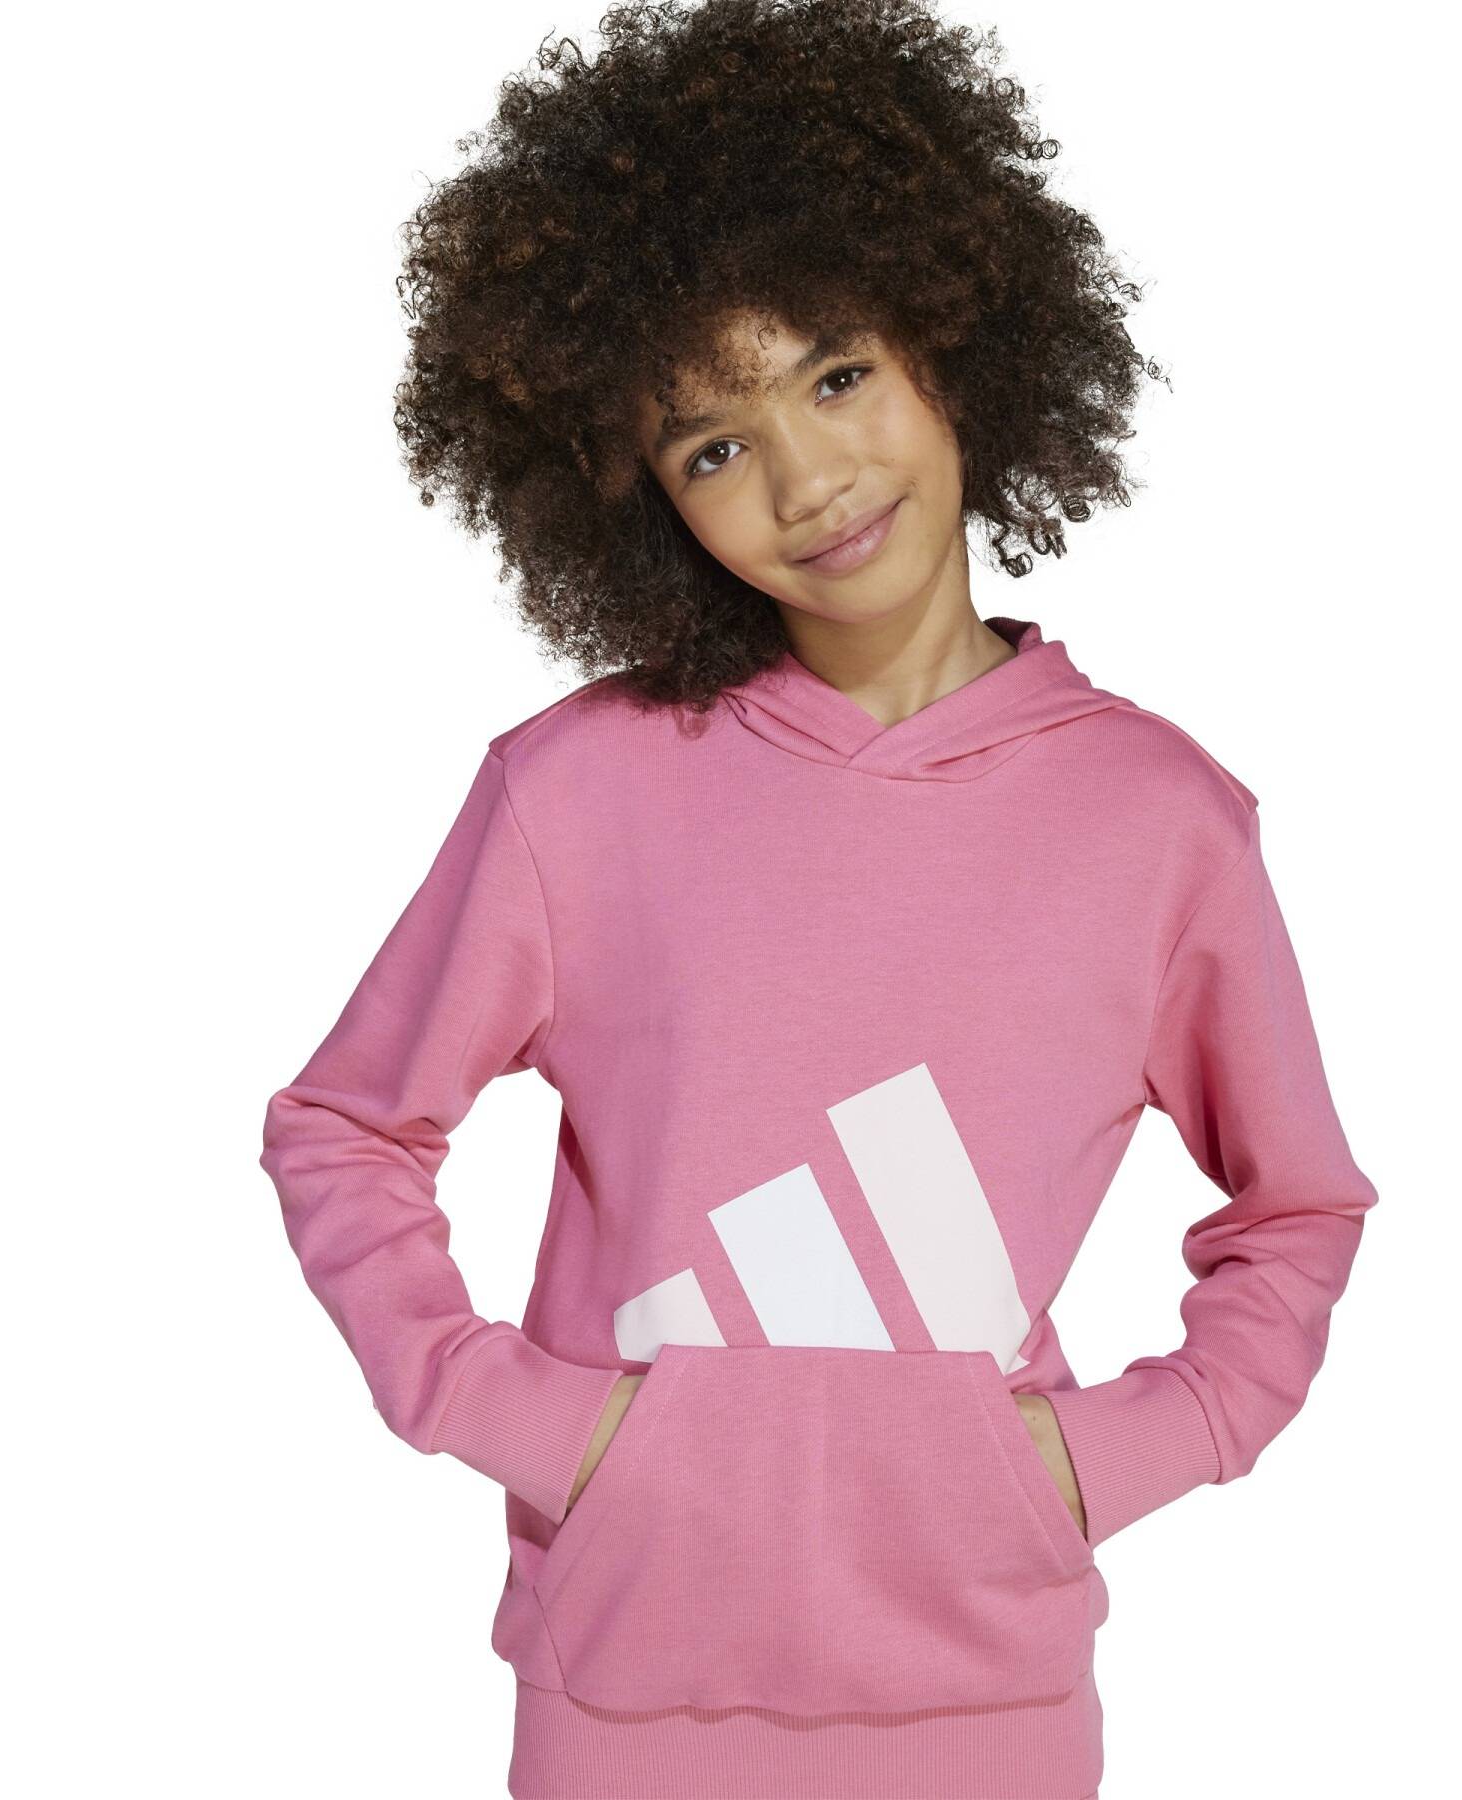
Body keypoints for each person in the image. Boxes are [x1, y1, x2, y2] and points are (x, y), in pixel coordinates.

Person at [257, 2, 1380, 1794]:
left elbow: (1297, 1207)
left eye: (836, 376)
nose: (807, 480)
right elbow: (343, 1129)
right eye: (710, 446)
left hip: (986, 1700)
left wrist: (1105, 1461)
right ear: (644, 502)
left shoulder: (1164, 822)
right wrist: (526, 1419)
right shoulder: (577, 790)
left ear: (953, 342)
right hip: (626, 1692)